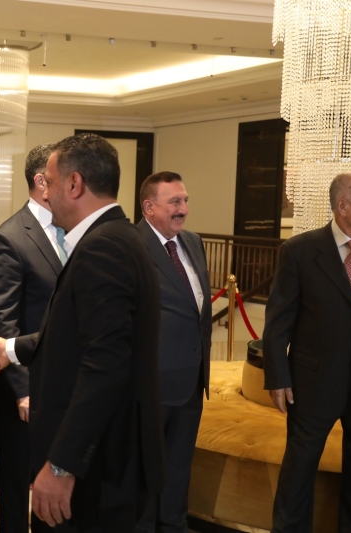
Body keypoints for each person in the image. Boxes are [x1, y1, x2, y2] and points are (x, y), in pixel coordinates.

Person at [0, 133, 164, 532]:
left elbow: (105, 366)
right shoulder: (121, 237)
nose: (45, 193)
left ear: (75, 184)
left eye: (49, 182)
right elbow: (78, 338)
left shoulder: (102, 249)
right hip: (108, 459)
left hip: (96, 468)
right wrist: (11, 348)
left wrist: (62, 465)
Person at [264, 172, 351, 532]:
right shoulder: (300, 250)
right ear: (343, 205)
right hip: (313, 383)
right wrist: (277, 376)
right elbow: (278, 322)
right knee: (298, 474)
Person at [0, 143, 63, 532]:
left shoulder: (76, 230)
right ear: (42, 182)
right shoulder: (10, 237)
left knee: (55, 480)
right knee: (18, 481)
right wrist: (23, 390)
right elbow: (2, 321)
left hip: (63, 382)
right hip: (21, 387)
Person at [136, 171, 212, 533]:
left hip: (192, 379)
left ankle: (173, 525)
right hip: (150, 383)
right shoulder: (131, 245)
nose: (183, 209)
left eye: (185, 200)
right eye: (174, 202)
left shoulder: (193, 242)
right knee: (144, 468)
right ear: (149, 207)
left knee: (179, 466)